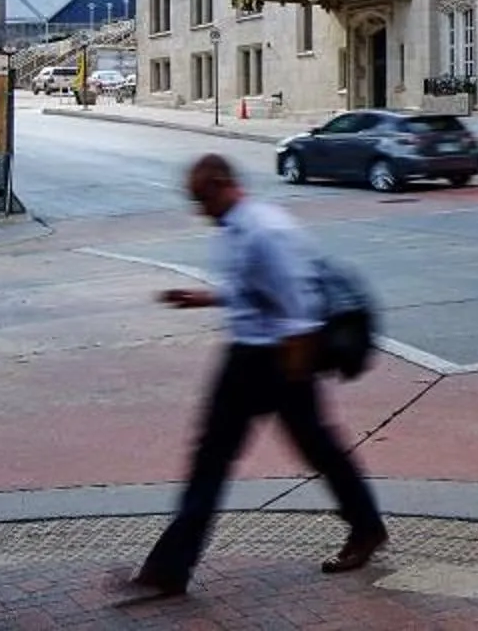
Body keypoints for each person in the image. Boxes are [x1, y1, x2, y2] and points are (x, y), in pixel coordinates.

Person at [116, 151, 387, 602]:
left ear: (223, 185)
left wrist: (294, 377)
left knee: (316, 449)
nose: (199, 210)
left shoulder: (264, 230)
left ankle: (367, 527)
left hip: (280, 359)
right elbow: (252, 292)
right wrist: (203, 299)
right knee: (213, 459)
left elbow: (298, 310)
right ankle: (169, 568)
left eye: (202, 198)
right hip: (246, 356)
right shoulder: (235, 228)